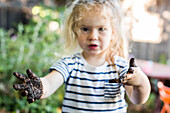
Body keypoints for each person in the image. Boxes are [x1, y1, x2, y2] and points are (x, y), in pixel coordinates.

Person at [13, 0, 151, 112]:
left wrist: (140, 82)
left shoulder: (121, 67)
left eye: (101, 29)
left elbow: (137, 100)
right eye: (85, 29)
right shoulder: (69, 64)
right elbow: (50, 82)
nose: (93, 36)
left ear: (113, 33)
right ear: (75, 31)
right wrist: (41, 87)